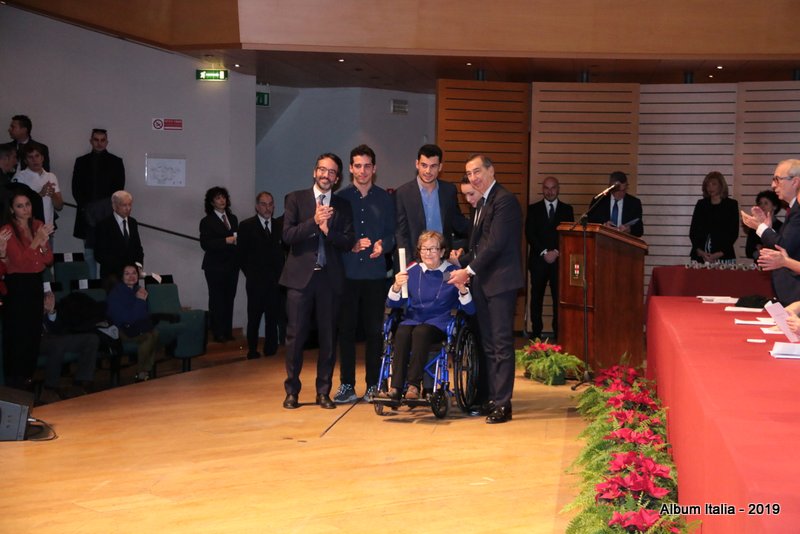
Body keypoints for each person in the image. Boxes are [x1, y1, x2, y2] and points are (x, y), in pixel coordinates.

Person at [448, 154, 524, 424]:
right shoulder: (481, 203)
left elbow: (495, 245)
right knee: (489, 345)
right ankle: (494, 397)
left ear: (491, 170)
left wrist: (467, 271)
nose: (473, 178)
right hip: (484, 283)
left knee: (501, 345)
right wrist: (460, 261)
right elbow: (478, 247)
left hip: (500, 284)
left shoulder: (504, 200)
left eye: (477, 171)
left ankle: (503, 404)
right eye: (469, 173)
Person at [279, 153, 355, 410]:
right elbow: (287, 235)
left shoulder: (343, 205)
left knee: (328, 338)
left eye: (332, 172)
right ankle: (292, 391)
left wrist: (327, 231)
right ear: (314, 172)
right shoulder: (295, 199)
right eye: (322, 170)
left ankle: (323, 392)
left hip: (329, 280)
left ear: (337, 178)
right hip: (299, 279)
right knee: (295, 337)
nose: (326, 175)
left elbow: (348, 242)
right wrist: (314, 222)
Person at [333, 144, 396, 403]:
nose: (362, 171)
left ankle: (373, 385)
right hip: (347, 274)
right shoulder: (340, 198)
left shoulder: (385, 199)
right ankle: (347, 384)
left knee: (374, 332)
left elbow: (393, 234)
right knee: (346, 331)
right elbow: (333, 235)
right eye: (357, 166)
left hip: (374, 276)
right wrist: (351, 244)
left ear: (374, 168)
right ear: (350, 168)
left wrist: (383, 245)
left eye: (367, 166)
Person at [381, 230, 474, 400]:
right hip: (413, 319)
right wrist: (396, 286)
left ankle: (413, 386)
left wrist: (462, 288)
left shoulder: (453, 272)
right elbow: (392, 304)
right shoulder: (412, 271)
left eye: (433, 249)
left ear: (442, 251)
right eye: (424, 249)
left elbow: (470, 310)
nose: (428, 253)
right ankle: (396, 387)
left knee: (421, 332)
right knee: (401, 332)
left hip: (439, 322)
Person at [0, 193, 54, 390]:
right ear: (12, 210)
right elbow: (20, 262)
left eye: (27, 204)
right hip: (17, 285)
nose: (25, 209)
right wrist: (36, 241)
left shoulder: (37, 225)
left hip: (34, 282)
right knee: (19, 334)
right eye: (20, 206)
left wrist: (42, 244)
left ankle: (28, 377)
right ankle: (16, 381)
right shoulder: (7, 230)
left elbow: (48, 259)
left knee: (33, 332)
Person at [394, 144, 469, 266]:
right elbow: (401, 234)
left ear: (440, 167)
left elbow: (458, 223)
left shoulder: (449, 191)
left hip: (443, 260)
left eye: (433, 166)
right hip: (415, 261)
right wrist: (409, 265)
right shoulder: (402, 193)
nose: (428, 171)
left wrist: (481, 228)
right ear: (417, 164)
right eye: (424, 165)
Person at [741, 159, 800, 305]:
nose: (773, 185)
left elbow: (784, 247)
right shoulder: (793, 209)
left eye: (777, 180)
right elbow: (786, 244)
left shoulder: (798, 211)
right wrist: (766, 228)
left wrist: (760, 228)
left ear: (795, 182)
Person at [71, 128, 126, 278]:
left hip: (107, 214)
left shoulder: (116, 162)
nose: (99, 143)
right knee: (89, 254)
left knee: (107, 254)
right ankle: (92, 287)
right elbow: (76, 188)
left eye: (102, 140)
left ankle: (106, 286)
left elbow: (118, 190)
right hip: (87, 214)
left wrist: (108, 208)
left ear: (107, 142)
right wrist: (86, 208)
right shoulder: (81, 162)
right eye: (96, 140)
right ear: (91, 141)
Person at [525, 176, 574, 339]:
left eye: (553, 188)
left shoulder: (567, 210)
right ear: (542, 189)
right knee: (536, 298)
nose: (550, 191)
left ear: (558, 189)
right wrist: (544, 252)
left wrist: (556, 252)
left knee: (558, 299)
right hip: (538, 261)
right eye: (546, 188)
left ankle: (558, 333)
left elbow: (568, 234)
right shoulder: (533, 209)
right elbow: (530, 234)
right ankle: (536, 334)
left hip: (559, 262)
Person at [237, 191, 284, 358]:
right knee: (254, 317)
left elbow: (283, 253)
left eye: (270, 204)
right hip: (255, 281)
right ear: (257, 206)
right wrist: (251, 275)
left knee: (272, 318)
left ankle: (271, 349)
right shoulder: (246, 225)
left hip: (275, 282)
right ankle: (252, 350)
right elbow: (241, 255)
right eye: (263, 204)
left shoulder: (279, 226)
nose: (267, 208)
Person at [40, 290, 99, 400]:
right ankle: (49, 388)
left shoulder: (45, 298)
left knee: (91, 339)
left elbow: (58, 330)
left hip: (54, 337)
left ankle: (81, 383)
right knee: (57, 344)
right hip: (37, 341)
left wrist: (51, 312)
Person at [199, 187, 239, 343]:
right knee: (217, 299)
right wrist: (225, 241)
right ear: (211, 202)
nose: (222, 201)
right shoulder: (207, 221)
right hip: (215, 266)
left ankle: (228, 331)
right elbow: (205, 244)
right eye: (218, 198)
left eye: (223, 197)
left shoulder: (233, 218)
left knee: (229, 298)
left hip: (232, 265)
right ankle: (218, 332)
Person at [107, 263, 158, 382]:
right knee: (148, 337)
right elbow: (127, 319)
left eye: (134, 273)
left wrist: (141, 301)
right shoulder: (116, 293)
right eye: (127, 274)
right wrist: (140, 301)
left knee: (155, 333)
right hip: (120, 330)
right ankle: (141, 373)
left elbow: (143, 316)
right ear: (121, 276)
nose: (131, 276)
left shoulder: (137, 290)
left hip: (134, 326)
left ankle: (146, 370)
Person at [688, 171, 739, 263]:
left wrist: (718, 254)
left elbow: (733, 233)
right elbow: (693, 231)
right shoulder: (701, 204)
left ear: (721, 185)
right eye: (708, 185)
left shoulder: (731, 205)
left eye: (714, 184)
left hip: (724, 256)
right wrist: (700, 252)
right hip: (700, 256)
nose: (710, 188)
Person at [94, 190, 144, 282]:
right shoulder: (103, 225)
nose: (128, 208)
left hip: (131, 277)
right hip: (112, 277)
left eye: (130, 205)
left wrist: (138, 267)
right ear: (114, 206)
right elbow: (99, 254)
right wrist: (122, 270)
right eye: (124, 205)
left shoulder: (133, 223)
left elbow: (138, 249)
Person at [13, 143, 63, 233]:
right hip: (27, 230)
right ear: (25, 161)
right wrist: (40, 194)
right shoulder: (20, 177)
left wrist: (53, 194)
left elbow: (59, 206)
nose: (34, 160)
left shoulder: (51, 176)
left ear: (42, 158)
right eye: (30, 157)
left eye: (37, 156)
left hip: (48, 229)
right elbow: (17, 207)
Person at [587, 170, 644, 237]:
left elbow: (640, 230)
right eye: (618, 191)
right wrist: (603, 226)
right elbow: (589, 224)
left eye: (624, 190)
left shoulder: (634, 203)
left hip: (624, 241)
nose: (621, 193)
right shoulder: (599, 201)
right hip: (603, 239)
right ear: (610, 188)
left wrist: (629, 230)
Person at [0, 143, 44, 225]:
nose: (16, 162)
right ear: (6, 159)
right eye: (14, 157)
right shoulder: (3, 182)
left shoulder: (5, 179)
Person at [745, 190, 782, 260]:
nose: (762, 206)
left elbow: (782, 249)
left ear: (775, 206)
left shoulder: (781, 226)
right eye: (760, 203)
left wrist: (762, 249)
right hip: (758, 264)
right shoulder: (755, 226)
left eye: (766, 203)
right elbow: (748, 251)